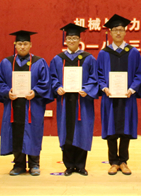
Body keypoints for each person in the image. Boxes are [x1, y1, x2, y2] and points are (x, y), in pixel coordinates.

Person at [0, 30, 52, 176]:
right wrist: (7, 92)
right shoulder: (6, 63)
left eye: (25, 43)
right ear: (15, 45)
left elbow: (45, 82)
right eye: (19, 43)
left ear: (31, 45)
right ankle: (18, 164)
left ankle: (34, 164)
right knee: (16, 132)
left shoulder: (39, 62)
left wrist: (35, 92)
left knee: (33, 132)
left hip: (32, 106)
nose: (22, 46)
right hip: (13, 105)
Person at [97, 14, 141, 175]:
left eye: (121, 30)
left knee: (126, 129)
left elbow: (139, 74)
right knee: (111, 130)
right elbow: (99, 74)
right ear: (110, 32)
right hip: (109, 97)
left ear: (125, 32)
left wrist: (132, 89)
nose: (118, 32)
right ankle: (113, 162)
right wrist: (104, 87)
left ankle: (123, 161)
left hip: (127, 97)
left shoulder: (133, 52)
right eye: (115, 30)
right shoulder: (104, 53)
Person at [49, 23, 99, 176]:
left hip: (82, 102)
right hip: (65, 102)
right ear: (65, 40)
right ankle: (69, 165)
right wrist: (57, 87)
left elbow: (94, 78)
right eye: (69, 38)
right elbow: (52, 78)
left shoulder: (88, 59)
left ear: (79, 40)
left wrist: (87, 89)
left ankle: (81, 165)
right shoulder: (58, 59)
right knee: (66, 131)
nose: (71, 41)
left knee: (83, 131)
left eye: (74, 38)